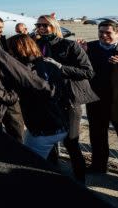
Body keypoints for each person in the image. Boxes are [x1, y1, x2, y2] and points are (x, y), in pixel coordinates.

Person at [34, 14, 97, 183]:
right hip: (48, 100)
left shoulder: (69, 46)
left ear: (54, 26)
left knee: (71, 143)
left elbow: (88, 72)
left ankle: (80, 181)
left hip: (69, 100)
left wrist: (61, 67)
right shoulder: (37, 46)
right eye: (38, 25)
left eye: (45, 25)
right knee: (50, 143)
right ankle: (54, 178)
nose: (41, 28)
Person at [7, 34, 70, 159]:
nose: (8, 53)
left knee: (31, 164)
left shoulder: (25, 70)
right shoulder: (47, 64)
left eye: (10, 49)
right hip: (56, 123)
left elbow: (13, 95)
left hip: (44, 128)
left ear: (18, 49)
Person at [84, 20, 118, 174]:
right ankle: (98, 166)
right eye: (100, 32)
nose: (103, 35)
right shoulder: (88, 48)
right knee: (97, 135)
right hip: (96, 100)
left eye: (108, 32)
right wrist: (79, 51)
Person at [0, 15, 24, 142]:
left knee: (17, 132)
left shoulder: (5, 43)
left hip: (8, 95)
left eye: (1, 27)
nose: (0, 30)